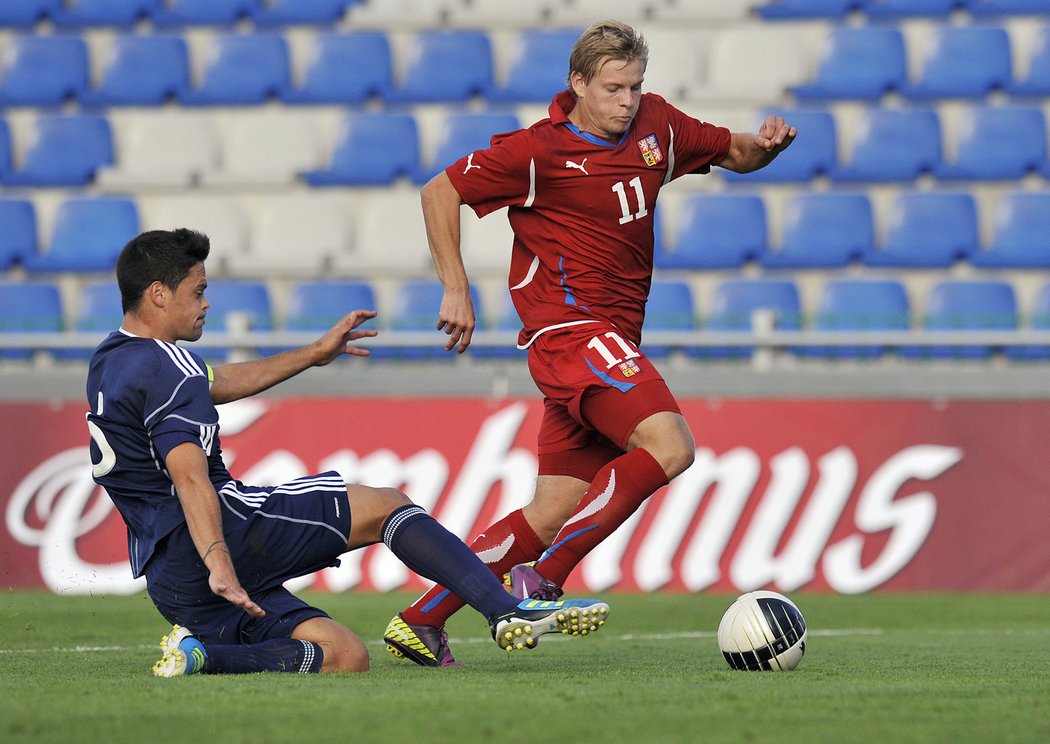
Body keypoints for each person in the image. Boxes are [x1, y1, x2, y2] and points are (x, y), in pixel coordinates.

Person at [383, 19, 796, 666]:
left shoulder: (657, 124)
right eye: (612, 88)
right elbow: (440, 191)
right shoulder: (536, 151)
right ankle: (543, 581)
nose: (626, 101)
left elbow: (732, 152)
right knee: (671, 445)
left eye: (634, 86)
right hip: (571, 331)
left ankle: (422, 618)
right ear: (577, 83)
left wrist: (765, 148)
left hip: (605, 341)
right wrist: (455, 289)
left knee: (549, 511)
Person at [87, 228, 610, 677]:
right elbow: (190, 479)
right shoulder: (165, 366)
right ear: (159, 294)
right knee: (385, 505)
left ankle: (202, 657)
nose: (206, 302)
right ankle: (504, 611)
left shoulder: (113, 360)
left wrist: (313, 355)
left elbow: (217, 381)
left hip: (170, 577)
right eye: (198, 290)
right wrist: (218, 560)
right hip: (218, 535)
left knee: (344, 655)